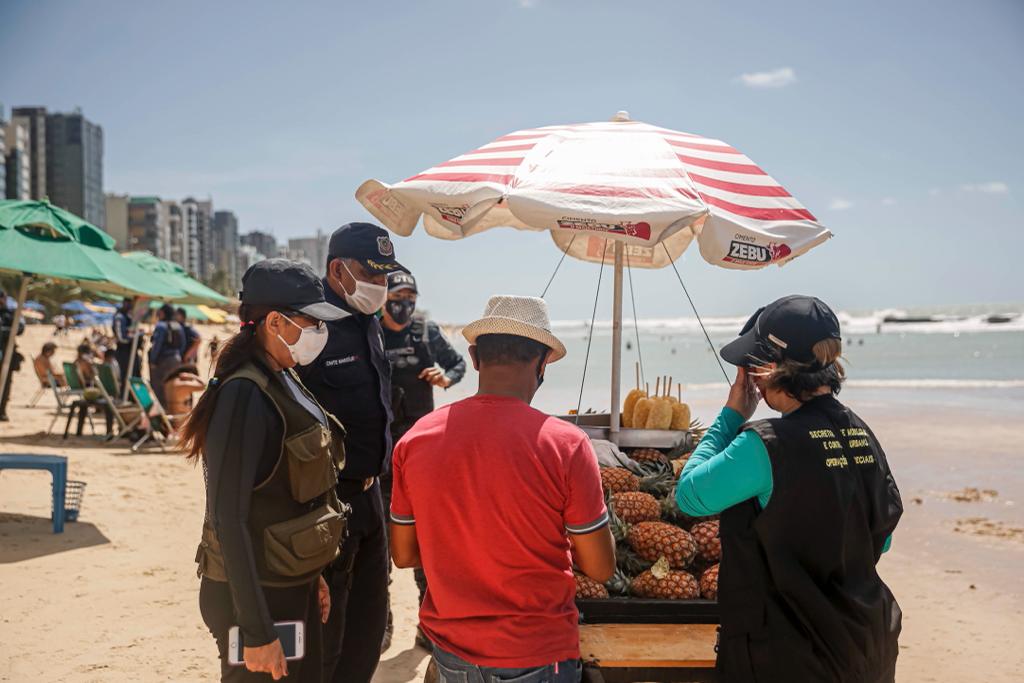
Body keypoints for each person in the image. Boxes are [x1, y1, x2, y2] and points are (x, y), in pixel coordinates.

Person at [675, 295, 903, 682]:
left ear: (769, 369)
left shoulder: (766, 445)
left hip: (787, 655)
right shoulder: (863, 435)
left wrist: (731, 415)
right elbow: (879, 541)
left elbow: (690, 494)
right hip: (866, 646)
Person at [390, 295, 615, 682]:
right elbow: (600, 567)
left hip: (452, 657)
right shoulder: (567, 444)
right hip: (538, 654)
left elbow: (405, 554)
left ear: (474, 358)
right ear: (543, 362)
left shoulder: (416, 439)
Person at [181, 259, 351, 682]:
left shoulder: (284, 376)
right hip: (255, 597)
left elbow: (287, 497)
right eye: (311, 321)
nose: (319, 331)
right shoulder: (244, 394)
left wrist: (312, 578)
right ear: (274, 321)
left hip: (287, 584)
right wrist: (256, 631)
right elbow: (229, 519)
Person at [296, 222, 405, 683]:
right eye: (371, 275)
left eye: (385, 277)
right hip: (327, 501)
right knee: (326, 640)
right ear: (337, 269)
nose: (380, 287)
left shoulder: (369, 324)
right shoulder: (308, 328)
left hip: (371, 497)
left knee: (369, 630)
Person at [379, 270, 466, 648]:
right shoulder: (370, 332)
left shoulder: (426, 332)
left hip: (422, 451)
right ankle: (381, 625)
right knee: (380, 542)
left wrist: (444, 377)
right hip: (380, 452)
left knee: (426, 541)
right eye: (398, 295)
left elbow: (459, 364)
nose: (405, 302)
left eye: (411, 295)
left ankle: (427, 626)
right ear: (383, 297)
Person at [149, 303, 186, 406]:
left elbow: (157, 345)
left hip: (163, 361)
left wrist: (153, 361)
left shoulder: (161, 326)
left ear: (164, 313)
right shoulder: (178, 326)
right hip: (176, 360)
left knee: (159, 388)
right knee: (171, 387)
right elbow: (183, 345)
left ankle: (162, 412)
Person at [0, 291, 26, 421]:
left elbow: (20, 328)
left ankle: (2, 410)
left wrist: (4, 331)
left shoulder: (11, 312)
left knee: (5, 383)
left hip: (6, 354)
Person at [112, 297, 141, 385]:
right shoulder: (120, 317)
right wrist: (135, 336)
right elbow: (122, 338)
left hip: (131, 352)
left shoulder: (128, 317)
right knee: (125, 376)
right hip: (124, 353)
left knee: (133, 374)